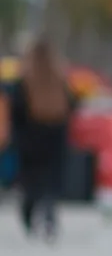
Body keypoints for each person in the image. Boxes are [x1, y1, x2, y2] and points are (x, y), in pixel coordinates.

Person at [9, 37, 76, 242]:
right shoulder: (59, 80)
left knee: (31, 181)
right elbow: (71, 106)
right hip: (54, 136)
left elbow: (16, 110)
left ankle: (30, 213)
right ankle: (48, 216)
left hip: (30, 137)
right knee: (51, 182)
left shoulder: (24, 81)